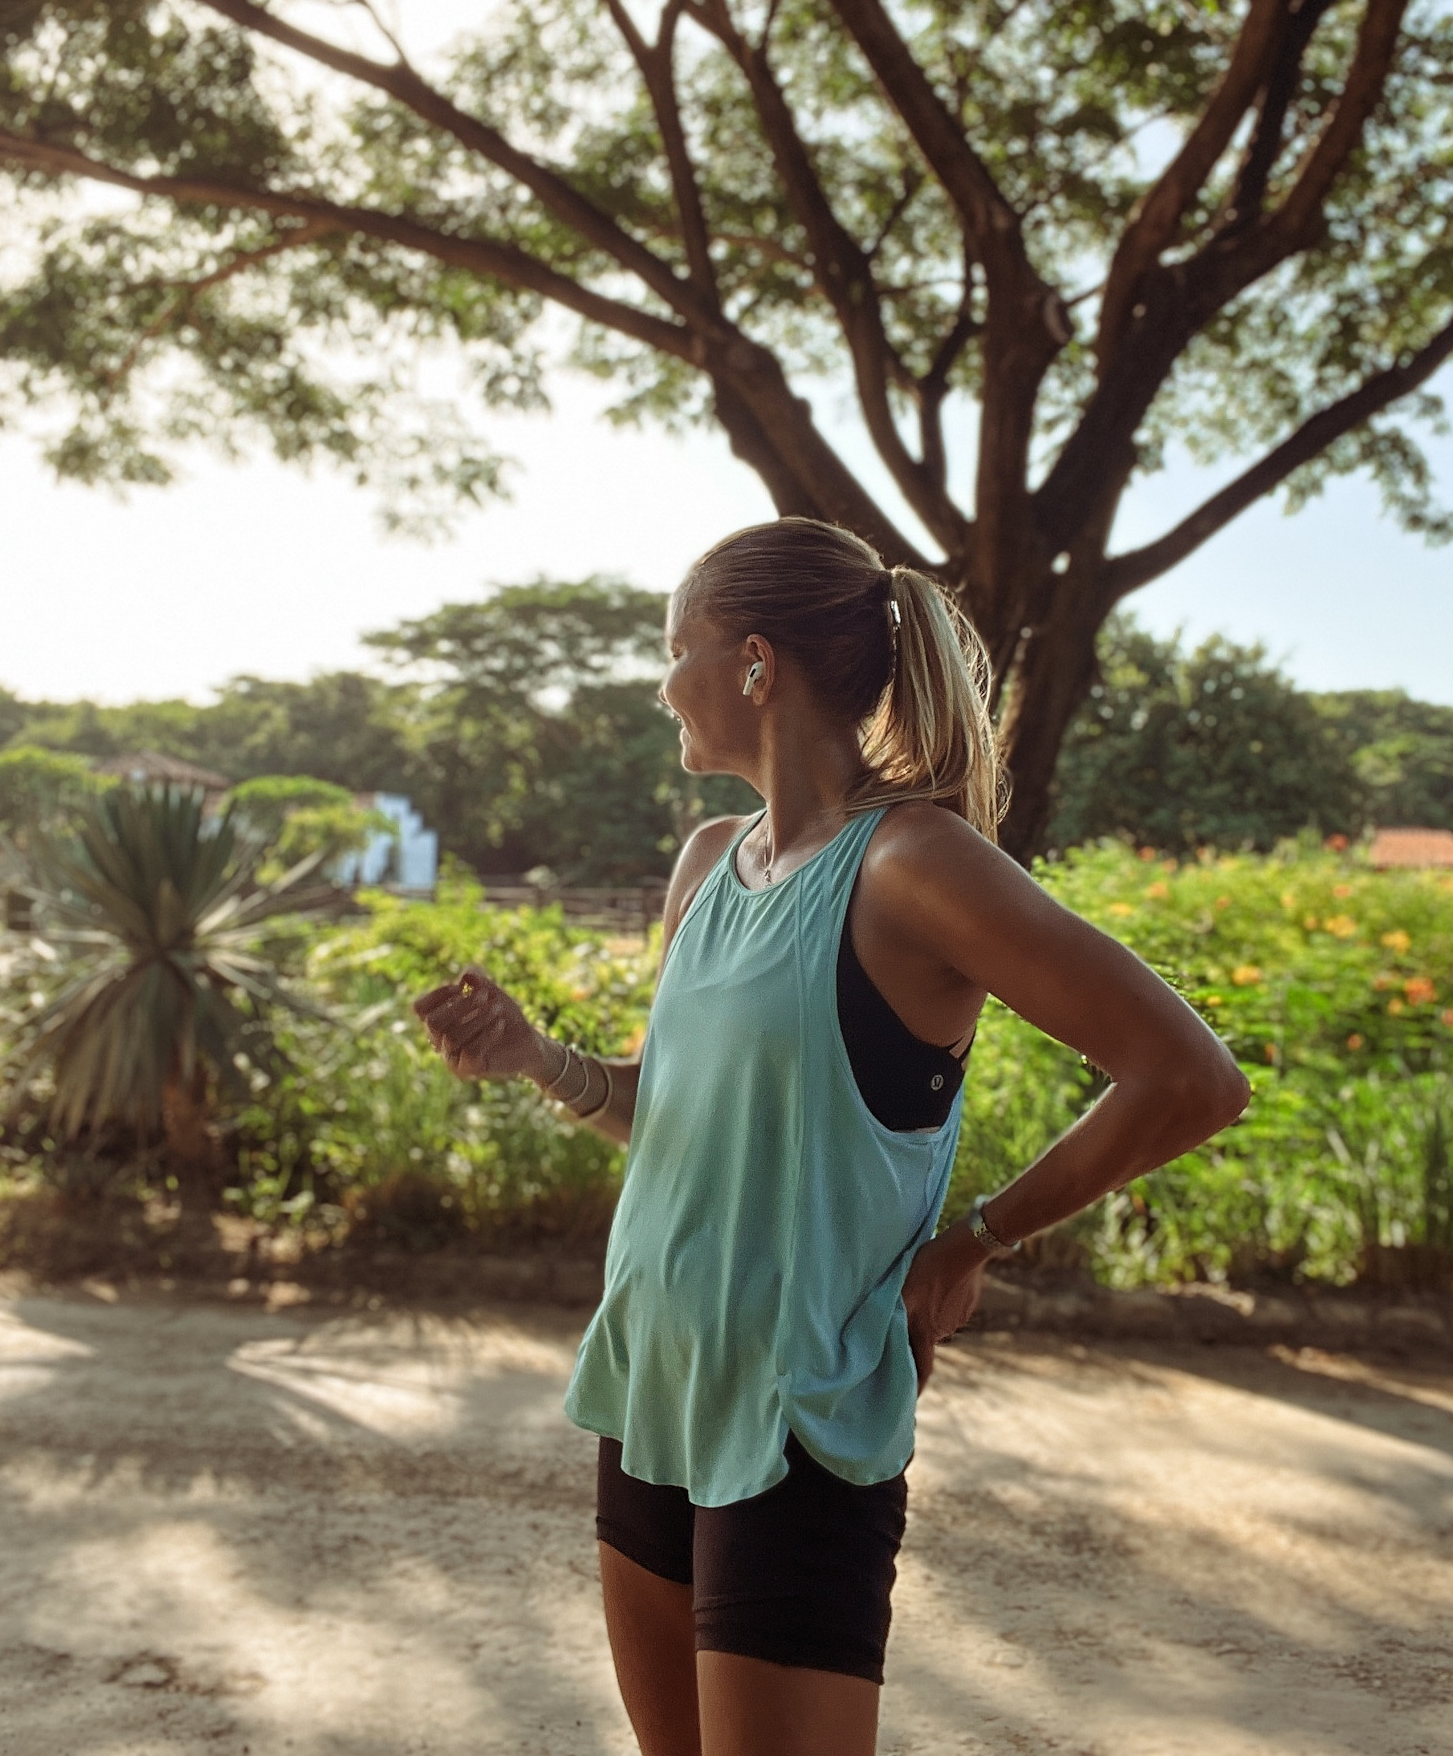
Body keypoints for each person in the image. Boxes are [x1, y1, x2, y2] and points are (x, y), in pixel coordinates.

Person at [414, 518, 1250, 1756]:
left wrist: (975, 1236)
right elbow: (679, 1124)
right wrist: (538, 1059)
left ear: (756, 662)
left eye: (676, 648)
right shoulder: (709, 861)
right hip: (657, 1377)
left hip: (800, 1409)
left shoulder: (915, 861)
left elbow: (1187, 1074)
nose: (661, 682)